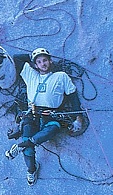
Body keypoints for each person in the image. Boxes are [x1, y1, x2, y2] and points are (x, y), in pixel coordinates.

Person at [5, 48, 87, 185]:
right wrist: (31, 56)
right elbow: (17, 58)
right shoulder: (30, 74)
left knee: (53, 128)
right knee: (28, 139)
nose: (43, 64)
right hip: (32, 114)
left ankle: (22, 145)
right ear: (35, 65)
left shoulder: (61, 76)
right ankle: (31, 169)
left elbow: (73, 97)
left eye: (45, 60)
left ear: (50, 61)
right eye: (39, 62)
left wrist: (78, 116)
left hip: (51, 115)